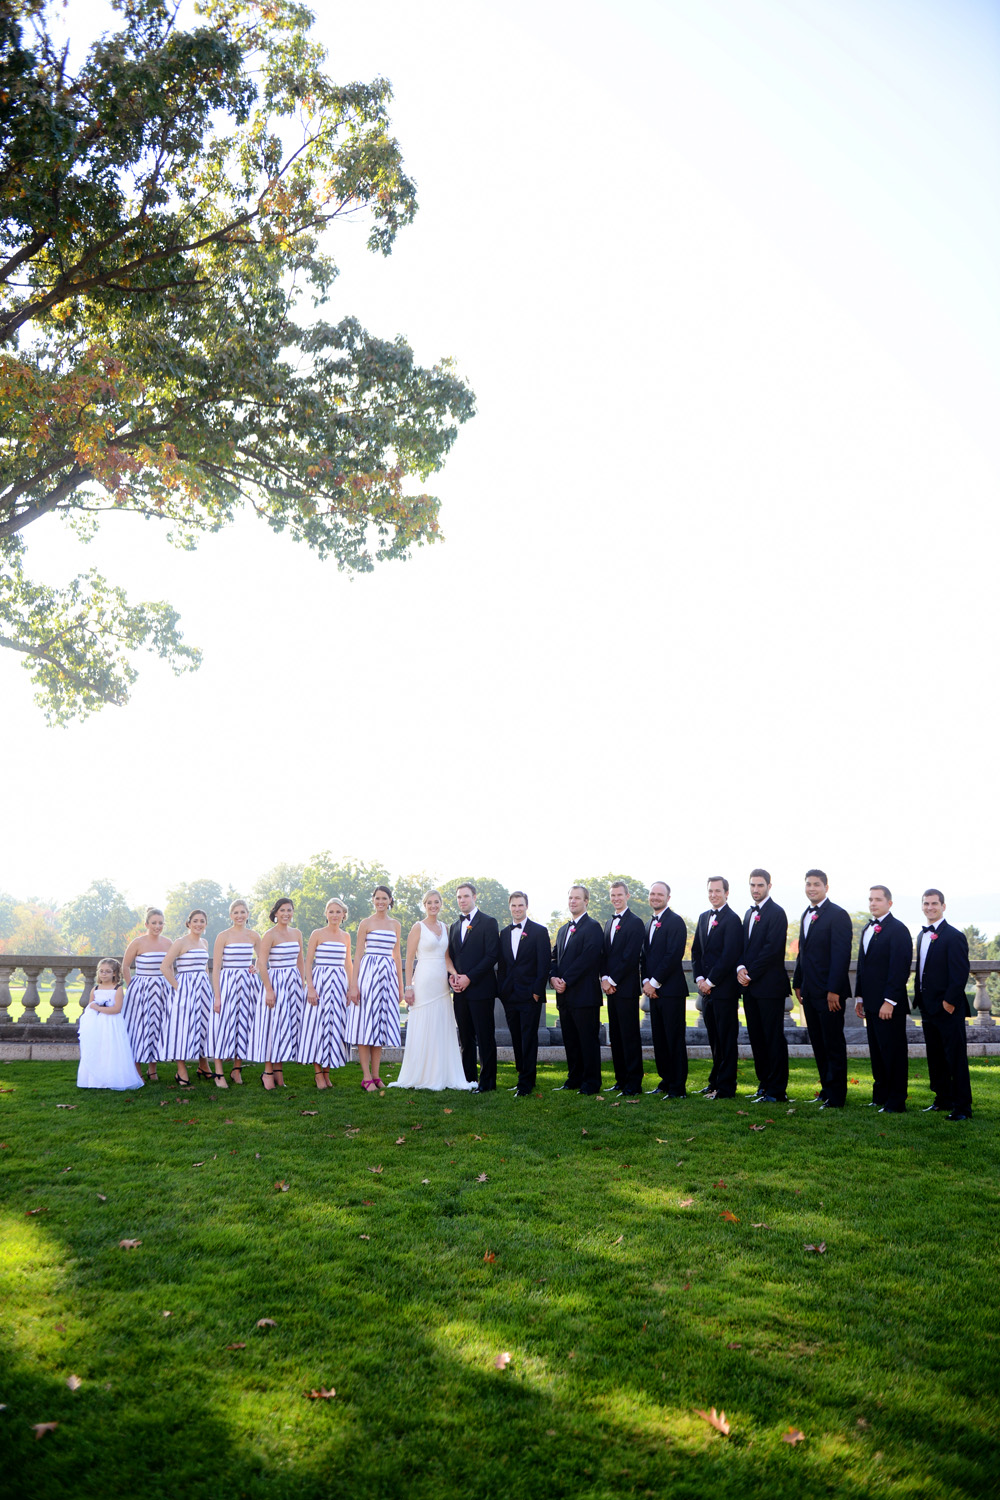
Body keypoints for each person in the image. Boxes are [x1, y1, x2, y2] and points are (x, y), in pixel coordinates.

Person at [389, 890, 477, 1092]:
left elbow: (446, 958)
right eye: (429, 902)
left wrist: (454, 973)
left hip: (441, 984)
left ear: (441, 904)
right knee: (423, 1025)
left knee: (441, 1026)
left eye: (436, 902)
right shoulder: (418, 927)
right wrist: (408, 987)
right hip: (423, 982)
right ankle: (421, 1073)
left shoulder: (445, 927)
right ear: (424, 905)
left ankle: (442, 1073)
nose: (433, 906)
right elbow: (409, 959)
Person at [792, 869, 853, 1109]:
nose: (811, 888)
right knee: (818, 1043)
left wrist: (834, 990)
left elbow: (841, 956)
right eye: (808, 884)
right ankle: (826, 1091)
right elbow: (803, 953)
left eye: (816, 884)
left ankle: (837, 1096)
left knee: (833, 1044)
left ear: (826, 887)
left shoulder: (838, 915)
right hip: (810, 991)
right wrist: (797, 982)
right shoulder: (806, 914)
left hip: (829, 994)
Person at [912, 888, 973, 1120]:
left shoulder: (954, 936)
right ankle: (942, 1099)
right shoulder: (921, 935)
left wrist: (948, 1003)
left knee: (954, 1058)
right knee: (935, 1057)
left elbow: (960, 974)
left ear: (943, 906)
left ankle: (963, 1107)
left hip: (948, 1009)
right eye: (926, 904)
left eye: (934, 903)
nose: (930, 907)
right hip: (927, 1008)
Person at [853, 885, 913, 1113]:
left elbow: (900, 969)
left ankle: (897, 1101)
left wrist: (890, 1001)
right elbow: (862, 966)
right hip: (870, 1003)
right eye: (870, 899)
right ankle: (880, 1096)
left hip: (889, 1005)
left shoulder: (898, 930)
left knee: (894, 1053)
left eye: (878, 899)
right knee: (877, 1051)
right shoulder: (867, 929)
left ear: (889, 903)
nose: (873, 903)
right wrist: (860, 997)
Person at [736, 869, 790, 1103]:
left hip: (770, 987)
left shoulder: (777, 913)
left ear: (769, 885)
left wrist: (751, 973)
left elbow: (772, 949)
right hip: (750, 988)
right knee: (757, 1038)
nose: (756, 889)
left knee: (773, 1038)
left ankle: (777, 1090)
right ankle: (764, 1084)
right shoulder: (748, 914)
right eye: (752, 885)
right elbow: (744, 946)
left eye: (760, 885)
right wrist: (740, 968)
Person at [690, 877, 743, 1100]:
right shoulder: (703, 918)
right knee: (713, 1038)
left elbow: (730, 955)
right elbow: (696, 952)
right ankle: (714, 1082)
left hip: (724, 990)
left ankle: (727, 1087)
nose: (713, 894)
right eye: (710, 891)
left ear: (727, 893)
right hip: (707, 990)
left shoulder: (732, 919)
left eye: (717, 891)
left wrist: (710, 981)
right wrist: (700, 978)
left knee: (727, 1039)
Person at [347, 885, 403, 1092]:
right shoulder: (366, 923)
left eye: (384, 898)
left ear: (390, 900)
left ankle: (377, 1075)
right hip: (368, 976)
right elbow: (358, 955)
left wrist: (400, 985)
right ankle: (366, 1076)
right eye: (377, 898)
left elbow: (396, 956)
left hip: (387, 977)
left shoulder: (396, 924)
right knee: (365, 1025)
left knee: (379, 1027)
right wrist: (354, 985)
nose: (381, 901)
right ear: (373, 900)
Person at [550, 884, 605, 1095]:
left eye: (577, 898)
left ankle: (591, 1082)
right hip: (564, 995)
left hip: (584, 995)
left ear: (586, 901)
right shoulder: (563, 929)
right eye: (570, 898)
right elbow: (554, 957)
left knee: (587, 1040)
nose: (573, 901)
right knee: (570, 1039)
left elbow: (589, 958)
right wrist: (553, 977)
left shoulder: (592, 927)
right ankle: (574, 1078)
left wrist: (566, 979)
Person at [447, 882, 500, 1093]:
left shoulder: (488, 922)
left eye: (466, 896)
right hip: (460, 992)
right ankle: (468, 1080)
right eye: (459, 897)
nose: (462, 900)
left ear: (475, 897)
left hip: (481, 989)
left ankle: (487, 1083)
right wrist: (453, 978)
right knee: (465, 1038)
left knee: (485, 1037)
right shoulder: (454, 926)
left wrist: (469, 977)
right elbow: (451, 956)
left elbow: (492, 955)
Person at [497, 890, 550, 1096]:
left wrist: (537, 991)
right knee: (516, 1038)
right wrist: (502, 990)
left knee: (529, 1038)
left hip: (530, 995)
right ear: (509, 907)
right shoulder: (504, 933)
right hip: (510, 995)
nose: (517, 909)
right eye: (513, 905)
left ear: (526, 906)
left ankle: (526, 1083)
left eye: (520, 905)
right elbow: (502, 965)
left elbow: (543, 964)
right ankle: (523, 1076)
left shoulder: (539, 931)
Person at [250, 897, 306, 1090]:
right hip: (275, 983)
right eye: (282, 910)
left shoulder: (297, 933)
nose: (286, 913)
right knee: (272, 1026)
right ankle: (267, 1072)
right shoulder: (269, 935)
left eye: (289, 910)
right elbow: (261, 963)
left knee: (285, 1027)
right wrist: (268, 989)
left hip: (293, 984)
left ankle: (279, 1072)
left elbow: (300, 961)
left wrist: (301, 983)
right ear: (275, 913)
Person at [641, 881, 690, 1098]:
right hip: (653, 991)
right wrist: (645, 982)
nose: (655, 897)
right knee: (659, 1040)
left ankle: (678, 1087)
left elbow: (673, 955)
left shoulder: (675, 922)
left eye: (660, 894)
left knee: (674, 1039)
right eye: (652, 894)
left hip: (671, 991)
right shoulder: (648, 923)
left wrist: (655, 982)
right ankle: (666, 1081)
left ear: (668, 898)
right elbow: (643, 957)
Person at [300, 899, 353, 1090]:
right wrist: (311, 987)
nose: (334, 915)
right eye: (331, 912)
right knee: (317, 1027)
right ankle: (317, 1074)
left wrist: (350, 987)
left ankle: (327, 1072)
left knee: (334, 1028)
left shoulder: (346, 936)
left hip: (338, 985)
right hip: (320, 983)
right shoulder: (317, 934)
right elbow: (307, 962)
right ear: (326, 914)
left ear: (343, 915)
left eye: (338, 912)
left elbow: (348, 964)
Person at [209, 899, 262, 1087]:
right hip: (227, 984)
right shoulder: (223, 936)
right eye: (236, 912)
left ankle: (237, 1070)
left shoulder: (254, 936)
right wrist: (217, 996)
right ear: (231, 915)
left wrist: (255, 968)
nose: (240, 915)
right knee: (222, 1025)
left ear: (248, 914)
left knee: (244, 1025)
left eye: (243, 912)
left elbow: (263, 959)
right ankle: (219, 1073)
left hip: (248, 985)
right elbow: (216, 968)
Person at [600, 879, 646, 1096]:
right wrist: (604, 978)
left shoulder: (635, 923)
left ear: (627, 896)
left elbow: (630, 957)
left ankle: (634, 1082)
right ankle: (620, 1079)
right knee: (616, 1036)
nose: (616, 898)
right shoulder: (609, 923)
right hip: (611, 989)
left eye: (619, 894)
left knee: (629, 1036)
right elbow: (605, 955)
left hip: (625, 989)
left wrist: (613, 980)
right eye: (613, 895)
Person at [159, 909, 214, 1087]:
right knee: (182, 1028)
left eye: (202, 921)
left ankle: (203, 1065)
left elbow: (205, 967)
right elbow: (165, 966)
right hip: (185, 988)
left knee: (204, 1025)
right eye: (195, 921)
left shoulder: (204, 942)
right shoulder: (180, 942)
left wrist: (208, 987)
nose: (199, 924)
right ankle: (181, 1070)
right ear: (188, 923)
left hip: (203, 988)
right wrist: (179, 987)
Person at [77, 958, 144, 1091]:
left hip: (112, 1024)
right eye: (101, 971)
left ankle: (113, 1078)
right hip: (97, 1025)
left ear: (114, 973)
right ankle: (95, 1079)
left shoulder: (117, 989)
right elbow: (90, 1006)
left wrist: (100, 1008)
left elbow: (117, 1009)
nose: (104, 974)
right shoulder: (95, 989)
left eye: (107, 971)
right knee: (99, 1048)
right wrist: (94, 1010)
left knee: (112, 1048)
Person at [121, 908, 171, 1083]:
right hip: (141, 990)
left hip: (162, 990)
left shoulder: (168, 943)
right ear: (146, 924)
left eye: (160, 923)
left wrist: (172, 986)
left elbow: (171, 967)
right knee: (138, 1028)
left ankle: (153, 1069)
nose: (157, 926)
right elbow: (125, 966)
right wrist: (132, 985)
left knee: (156, 1028)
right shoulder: (137, 942)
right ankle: (137, 1069)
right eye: (154, 923)